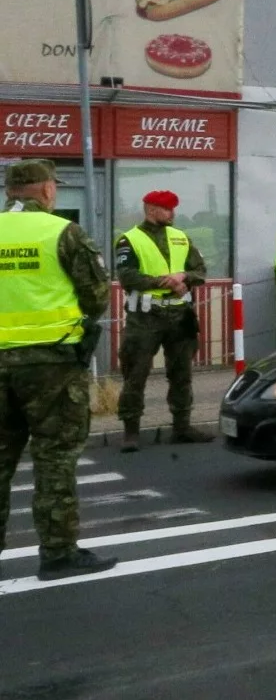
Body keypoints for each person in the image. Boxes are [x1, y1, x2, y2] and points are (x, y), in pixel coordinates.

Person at [0, 158, 116, 580]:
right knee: (55, 458)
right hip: (50, 364)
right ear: (46, 189)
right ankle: (57, 553)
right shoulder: (61, 232)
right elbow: (97, 295)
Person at [113, 188, 210, 451]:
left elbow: (200, 270)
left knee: (182, 373)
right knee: (135, 374)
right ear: (152, 209)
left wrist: (184, 277)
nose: (173, 213)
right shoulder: (128, 240)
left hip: (179, 315)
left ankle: (182, 426)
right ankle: (131, 432)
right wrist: (167, 283)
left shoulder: (181, 237)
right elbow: (127, 277)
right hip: (145, 317)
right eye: (167, 208)